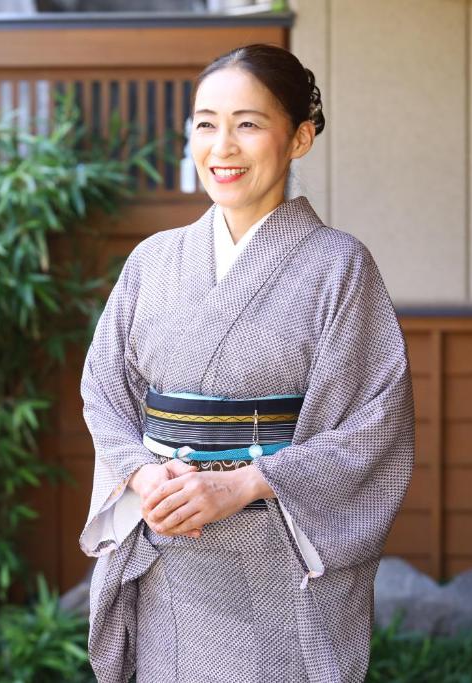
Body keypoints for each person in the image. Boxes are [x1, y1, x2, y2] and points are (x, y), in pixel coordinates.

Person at [77, 44, 415, 683]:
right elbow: (104, 390)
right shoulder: (153, 261)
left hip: (275, 563)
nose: (222, 147)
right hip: (168, 549)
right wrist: (145, 477)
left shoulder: (339, 267)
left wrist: (241, 484)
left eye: (249, 124)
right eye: (206, 124)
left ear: (300, 137)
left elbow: (373, 428)